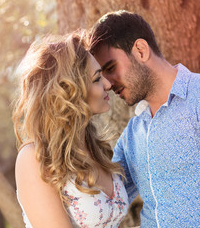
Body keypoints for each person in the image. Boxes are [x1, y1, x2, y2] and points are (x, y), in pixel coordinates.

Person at [89, 10, 200, 227]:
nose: (108, 84)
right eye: (102, 75)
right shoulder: (133, 133)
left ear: (140, 50)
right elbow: (104, 201)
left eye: (110, 68)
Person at [12, 32, 129, 228]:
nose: (108, 84)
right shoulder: (35, 159)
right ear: (70, 90)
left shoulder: (96, 150)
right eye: (97, 78)